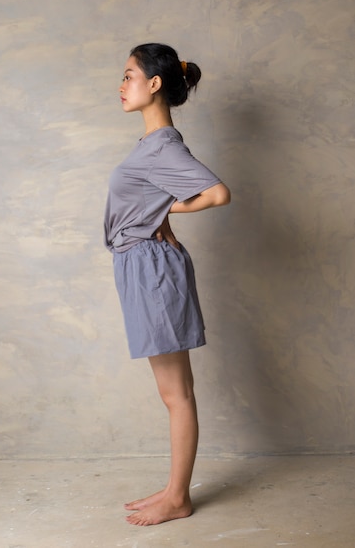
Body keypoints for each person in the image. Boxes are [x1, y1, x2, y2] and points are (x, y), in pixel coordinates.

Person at [104, 43, 230, 526]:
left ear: (154, 84)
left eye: (129, 75)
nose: (121, 85)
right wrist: (159, 209)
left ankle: (178, 497)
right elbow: (155, 196)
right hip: (143, 266)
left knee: (176, 393)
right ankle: (174, 487)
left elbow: (217, 193)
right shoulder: (153, 145)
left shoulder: (163, 146)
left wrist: (166, 210)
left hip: (152, 269)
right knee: (174, 392)